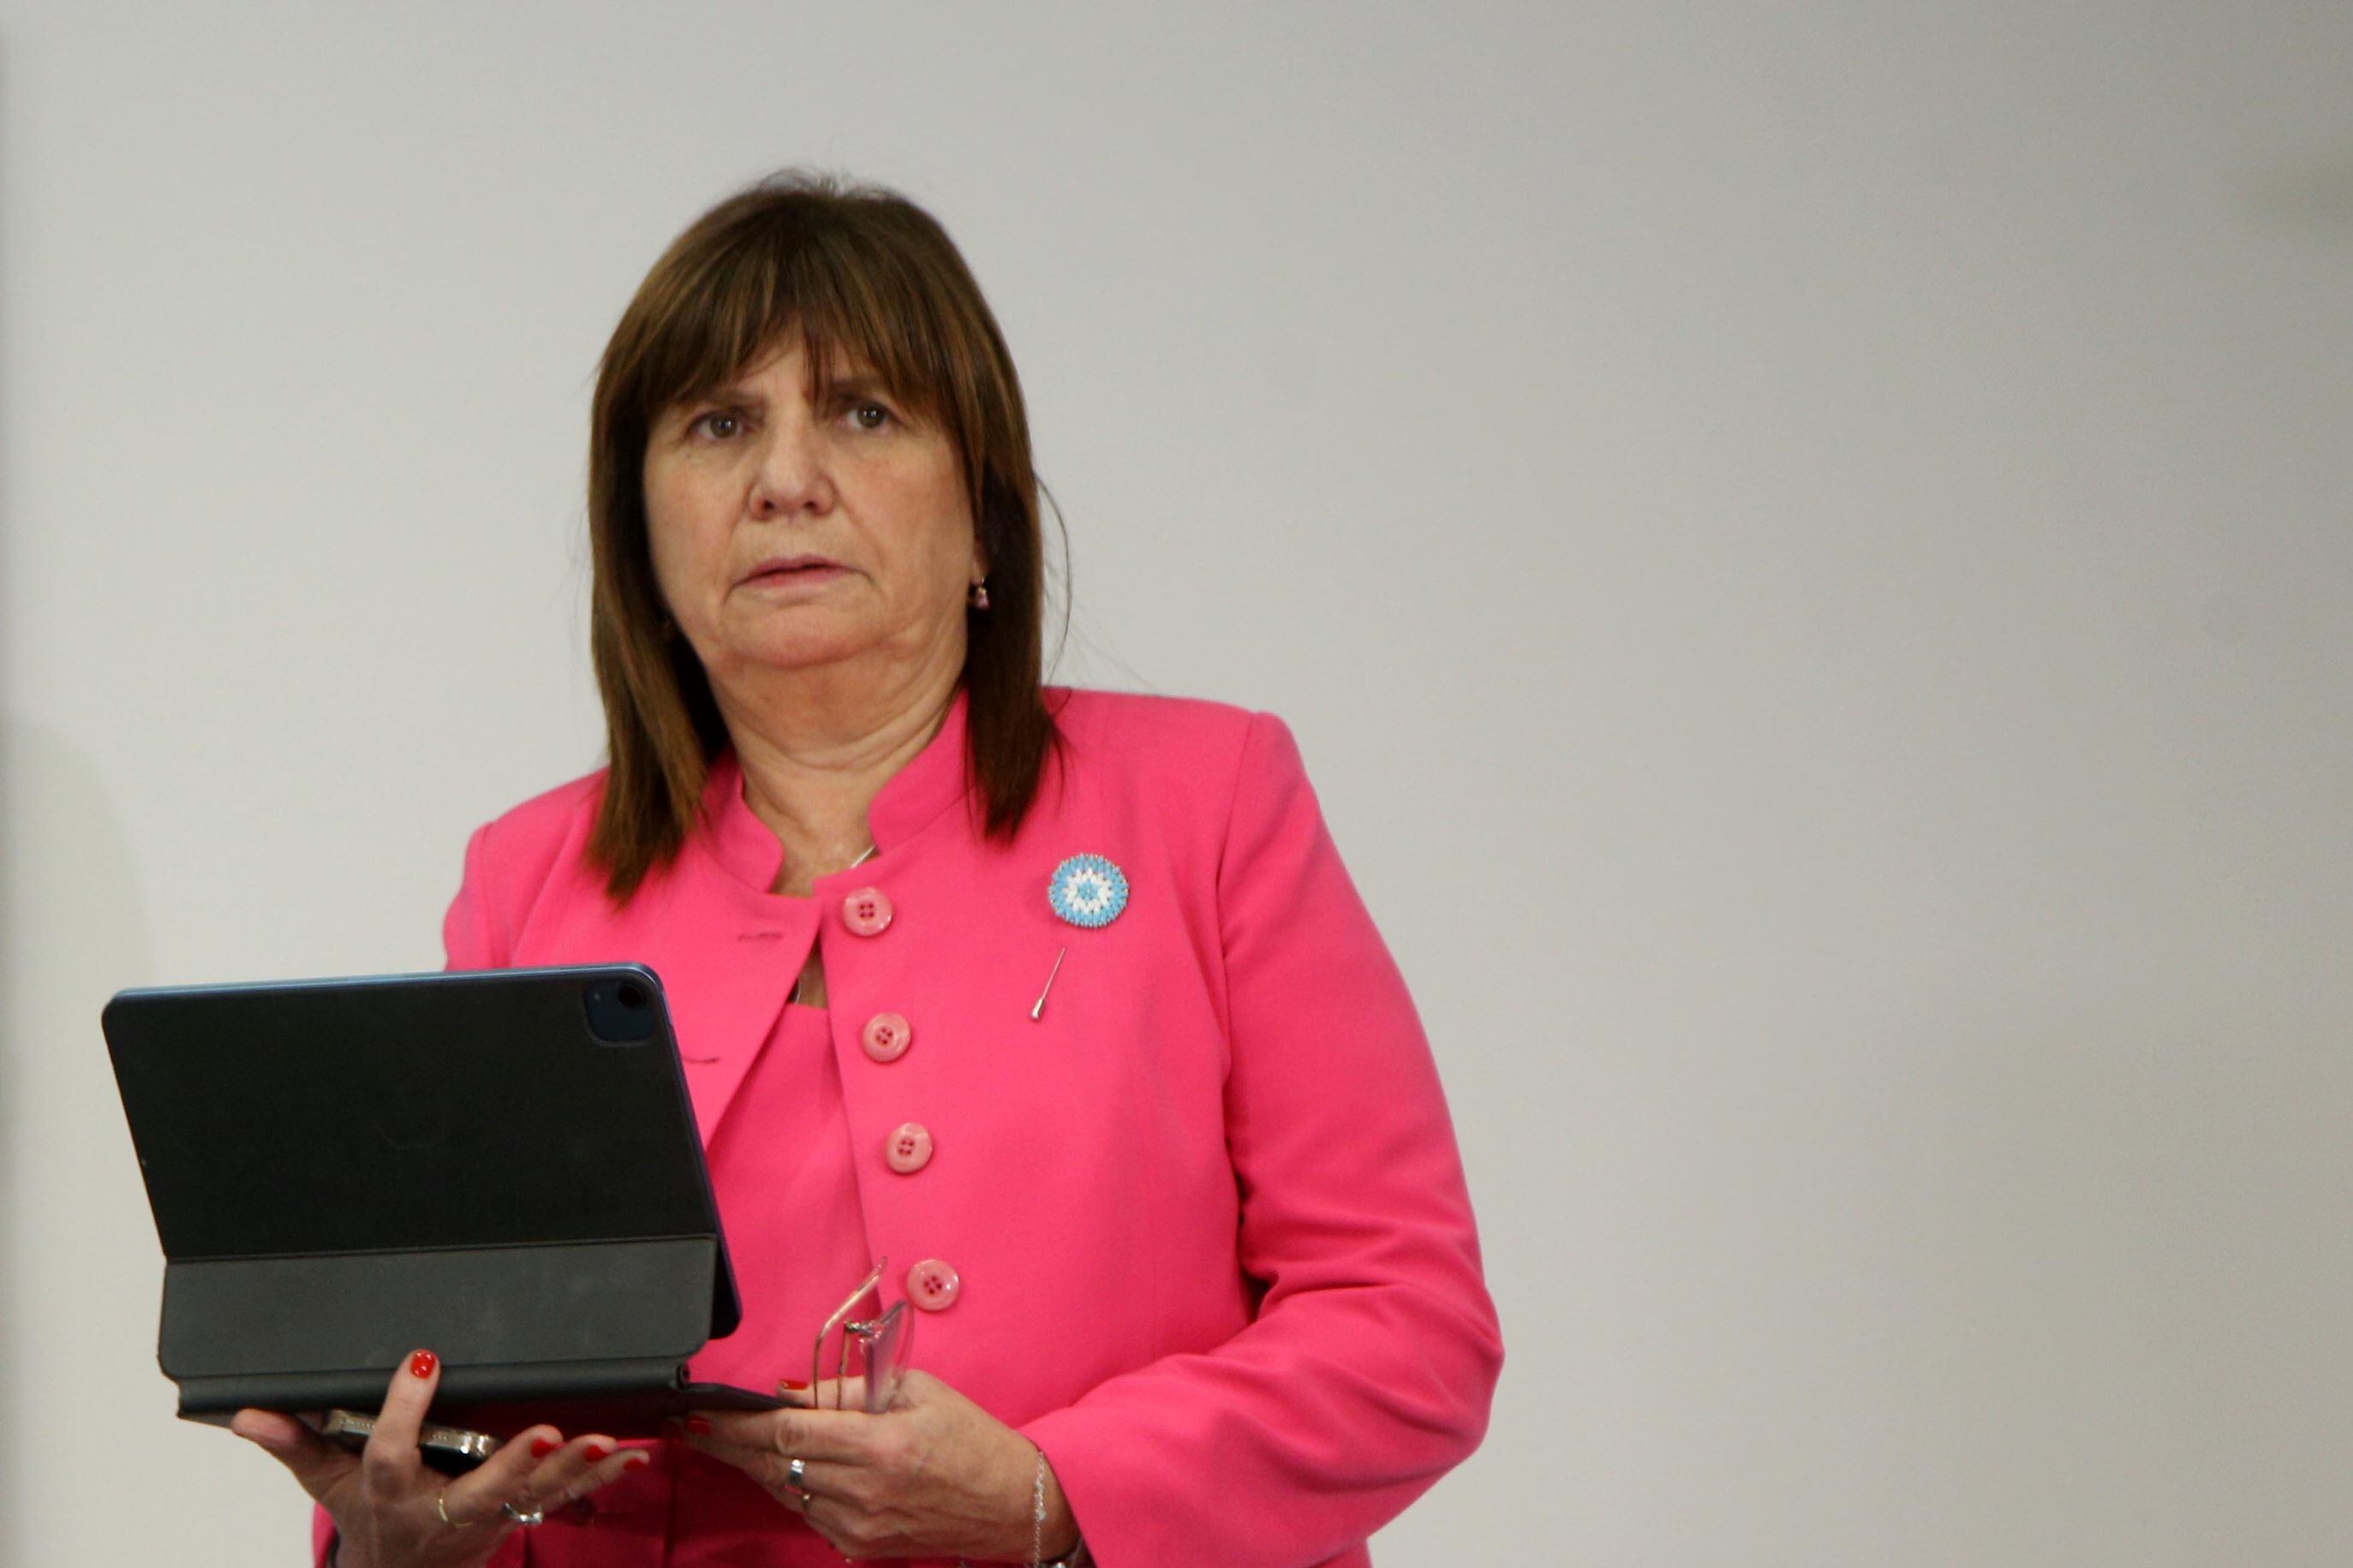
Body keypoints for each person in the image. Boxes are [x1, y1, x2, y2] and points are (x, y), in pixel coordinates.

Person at [228, 170, 1502, 1567]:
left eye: (865, 411)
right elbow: (457, 1392)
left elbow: (1408, 1327)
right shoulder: (529, 878)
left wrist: (1050, 1498)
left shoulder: (1209, 804)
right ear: (643, 546)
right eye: (719, 424)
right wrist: (396, 1542)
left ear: (984, 520)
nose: (786, 481)